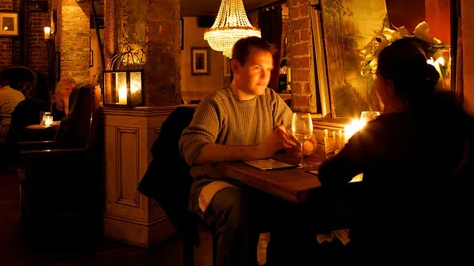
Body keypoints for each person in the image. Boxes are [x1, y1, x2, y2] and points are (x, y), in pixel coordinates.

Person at [318, 38, 474, 261]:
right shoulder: (457, 118)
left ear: (389, 85)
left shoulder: (381, 131)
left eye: (377, 77)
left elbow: (329, 175)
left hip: (386, 247)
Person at [179, 36, 318, 265]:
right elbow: (194, 150)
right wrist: (259, 150)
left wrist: (302, 149)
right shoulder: (216, 102)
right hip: (211, 186)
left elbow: (308, 137)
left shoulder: (271, 100)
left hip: (259, 186)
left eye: (269, 69)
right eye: (257, 68)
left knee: (295, 208)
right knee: (238, 205)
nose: (266, 77)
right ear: (236, 67)